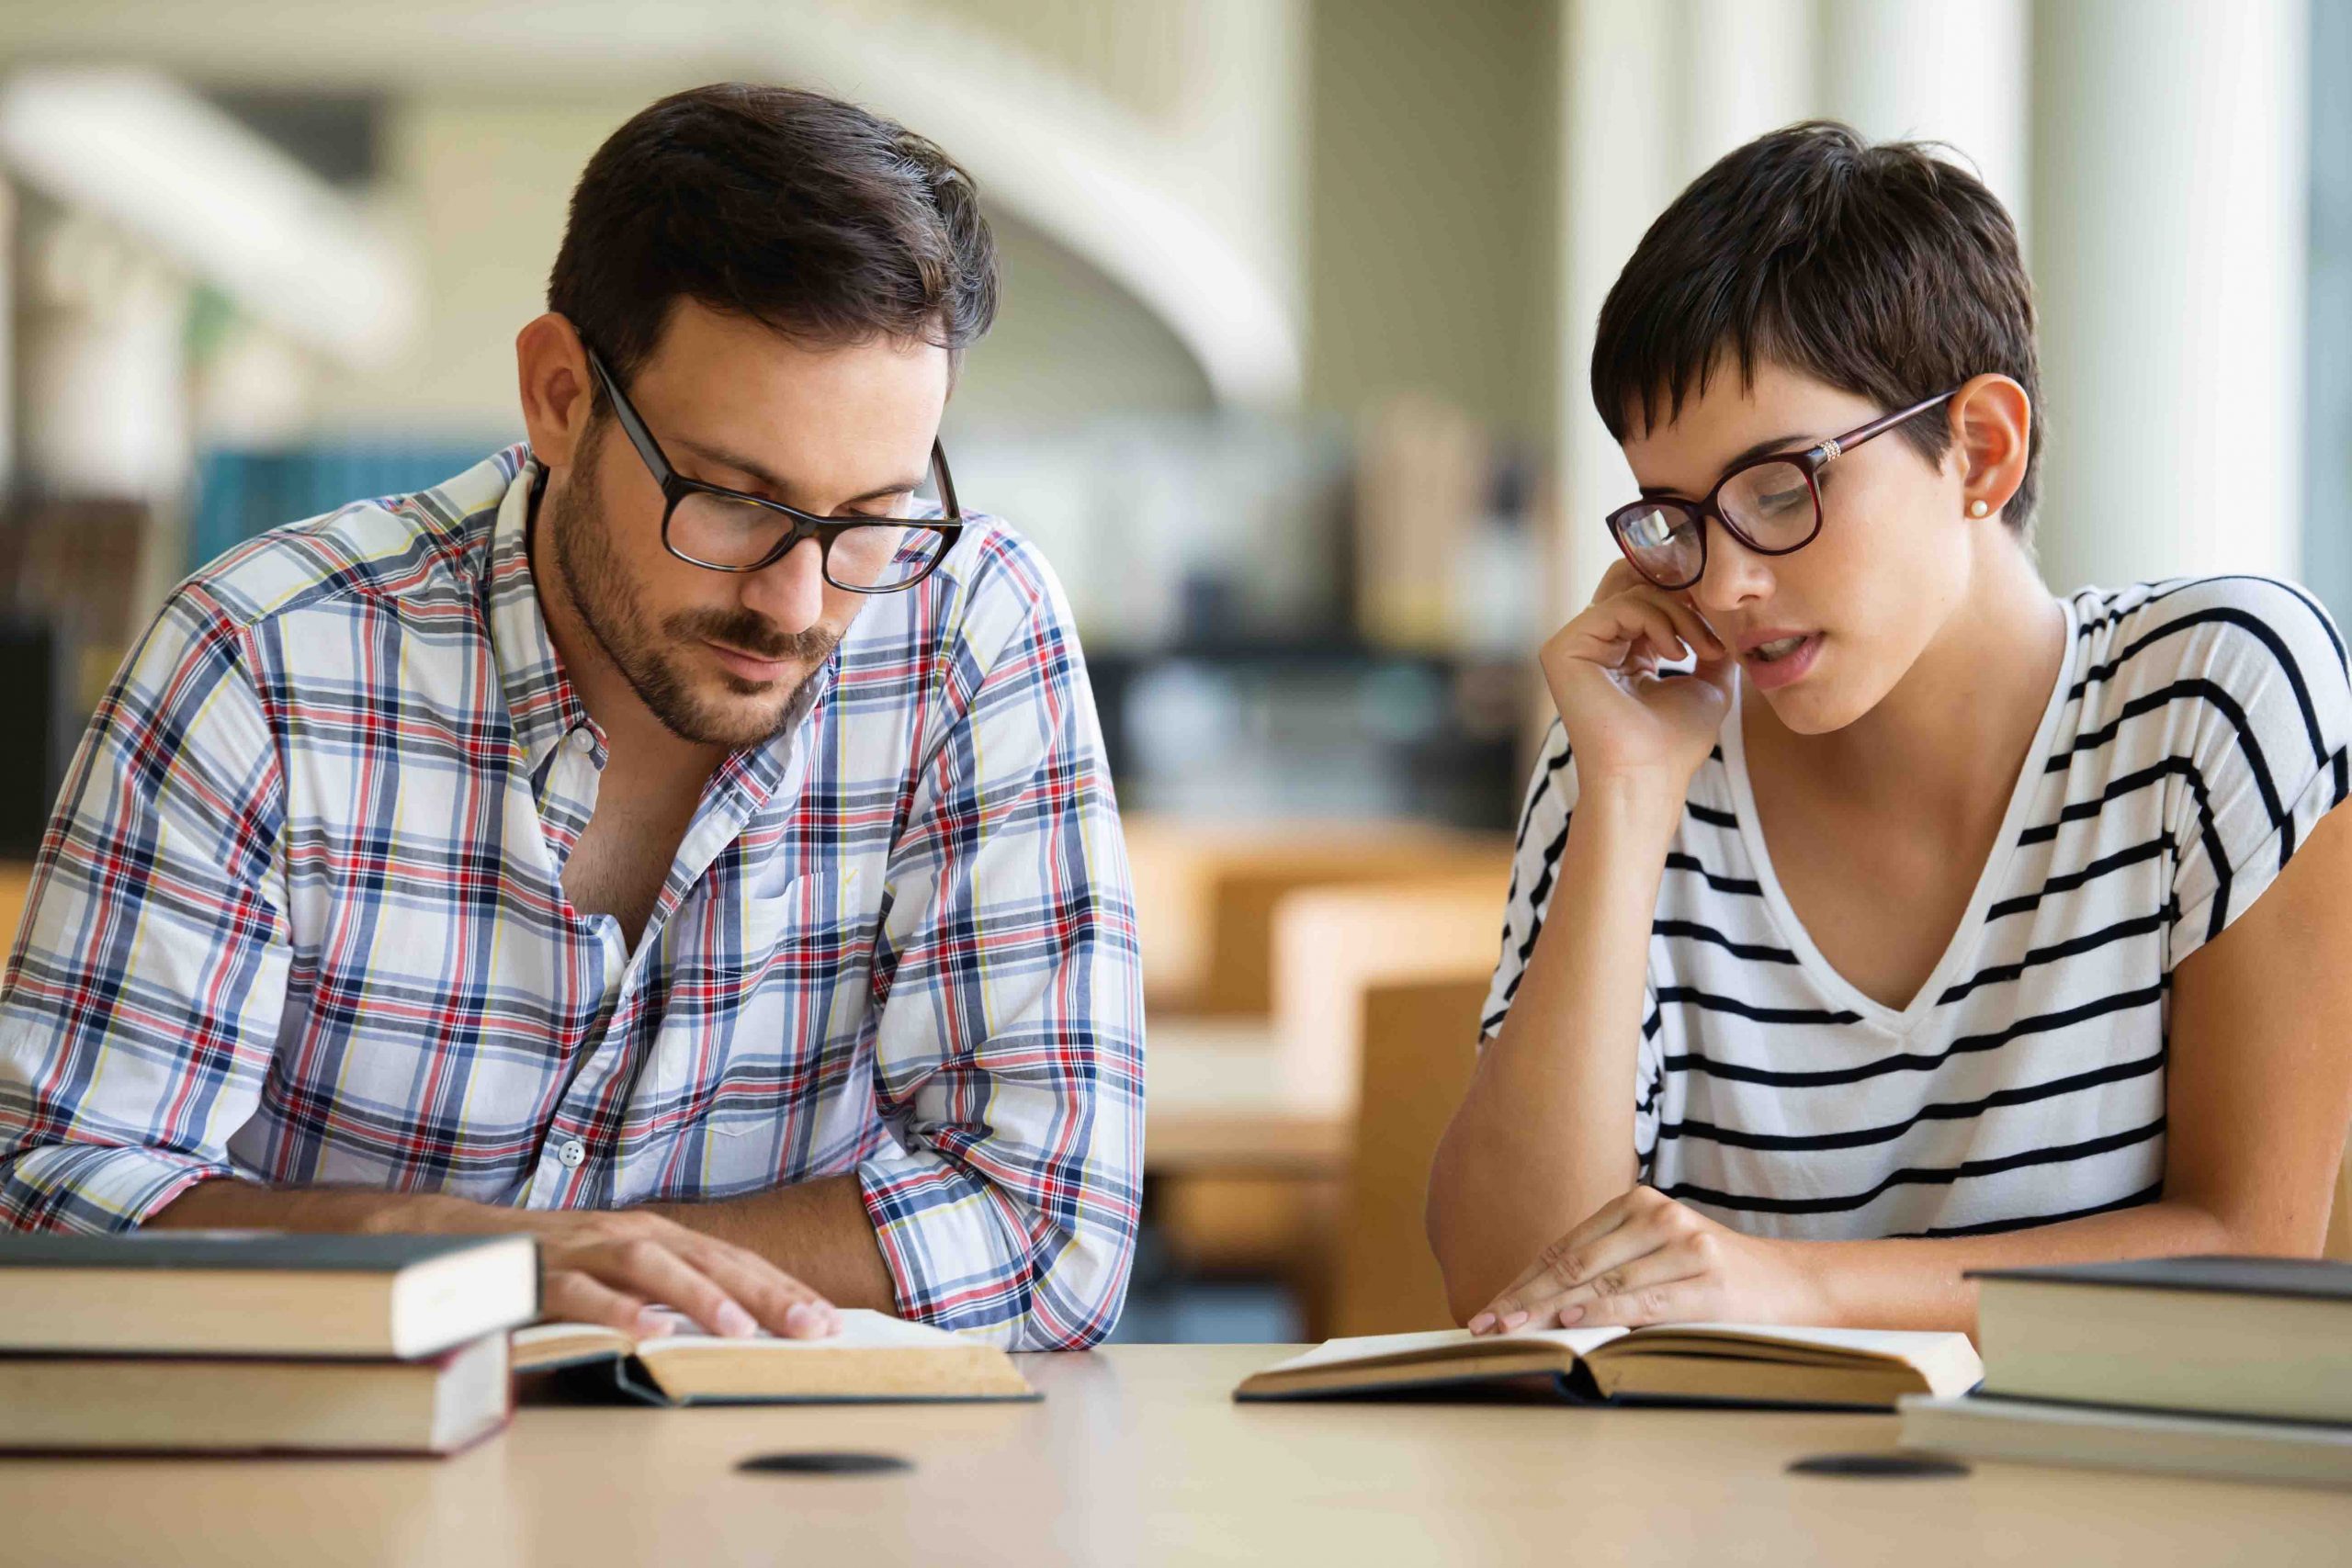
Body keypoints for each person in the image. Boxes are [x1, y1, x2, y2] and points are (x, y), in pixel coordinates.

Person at [0, 84, 1142, 1351]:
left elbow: (1053, 1231)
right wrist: (470, 1259)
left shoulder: (969, 631)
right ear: (557, 396)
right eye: (731, 499)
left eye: (870, 517)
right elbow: (48, 1204)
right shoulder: (263, 660)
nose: (798, 601)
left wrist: (604, 1274)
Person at [1429, 121, 2352, 1337]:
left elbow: (2254, 1252)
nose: (1721, 585)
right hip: (1704, 1520)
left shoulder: (2217, 700)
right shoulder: (1637, 745)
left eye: (1779, 489)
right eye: (1676, 517)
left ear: (1978, 449)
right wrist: (1629, 807)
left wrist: (1799, 1287)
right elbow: (1512, 1290)